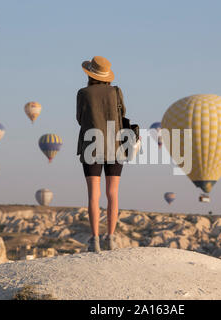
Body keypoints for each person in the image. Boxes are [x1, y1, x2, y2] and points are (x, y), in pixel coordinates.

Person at [76, 56, 126, 253]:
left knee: (93, 195)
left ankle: (95, 239)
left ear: (90, 74)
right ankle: (111, 238)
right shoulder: (116, 91)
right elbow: (122, 115)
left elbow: (79, 118)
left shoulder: (83, 93)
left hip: (91, 144)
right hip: (115, 144)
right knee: (112, 193)